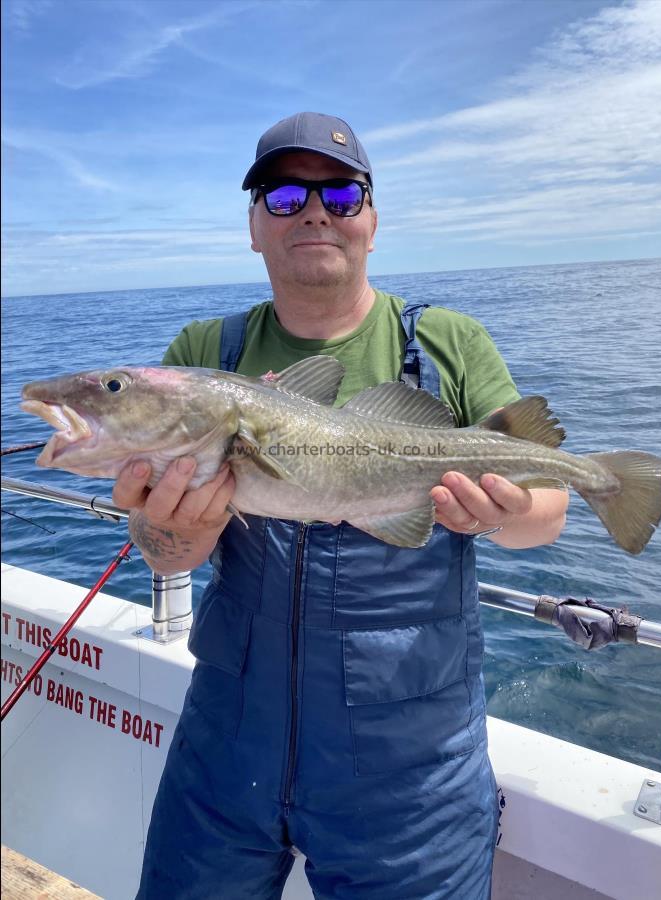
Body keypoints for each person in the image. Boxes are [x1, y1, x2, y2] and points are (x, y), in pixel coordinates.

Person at [114, 112, 568, 900]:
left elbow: (549, 510)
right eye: (284, 195)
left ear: (371, 218)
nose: (315, 211)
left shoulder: (448, 342)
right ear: (254, 225)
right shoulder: (200, 357)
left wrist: (490, 515)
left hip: (411, 772)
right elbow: (170, 557)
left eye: (340, 193)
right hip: (225, 749)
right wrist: (164, 528)